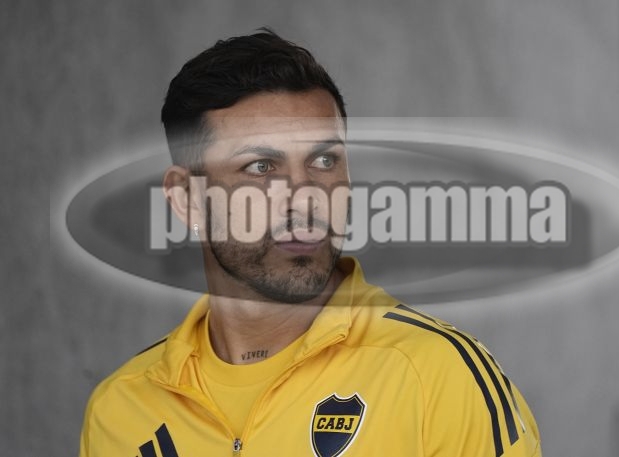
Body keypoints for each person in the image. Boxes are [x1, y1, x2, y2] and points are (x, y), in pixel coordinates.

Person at [79, 29, 541, 457]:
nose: (305, 198)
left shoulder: (438, 375)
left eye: (324, 160)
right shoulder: (121, 409)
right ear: (186, 199)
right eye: (261, 167)